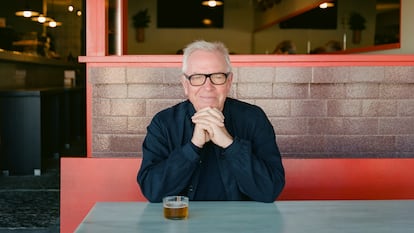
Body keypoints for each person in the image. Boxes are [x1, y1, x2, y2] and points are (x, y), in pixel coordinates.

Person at [137, 40, 285, 203]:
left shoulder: (253, 118)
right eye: (197, 77)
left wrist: (230, 144)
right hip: (181, 224)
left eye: (217, 77)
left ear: (229, 82)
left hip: (241, 225)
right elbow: (152, 190)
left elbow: (270, 190)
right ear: (185, 84)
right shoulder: (164, 123)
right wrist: (193, 147)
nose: (208, 87)